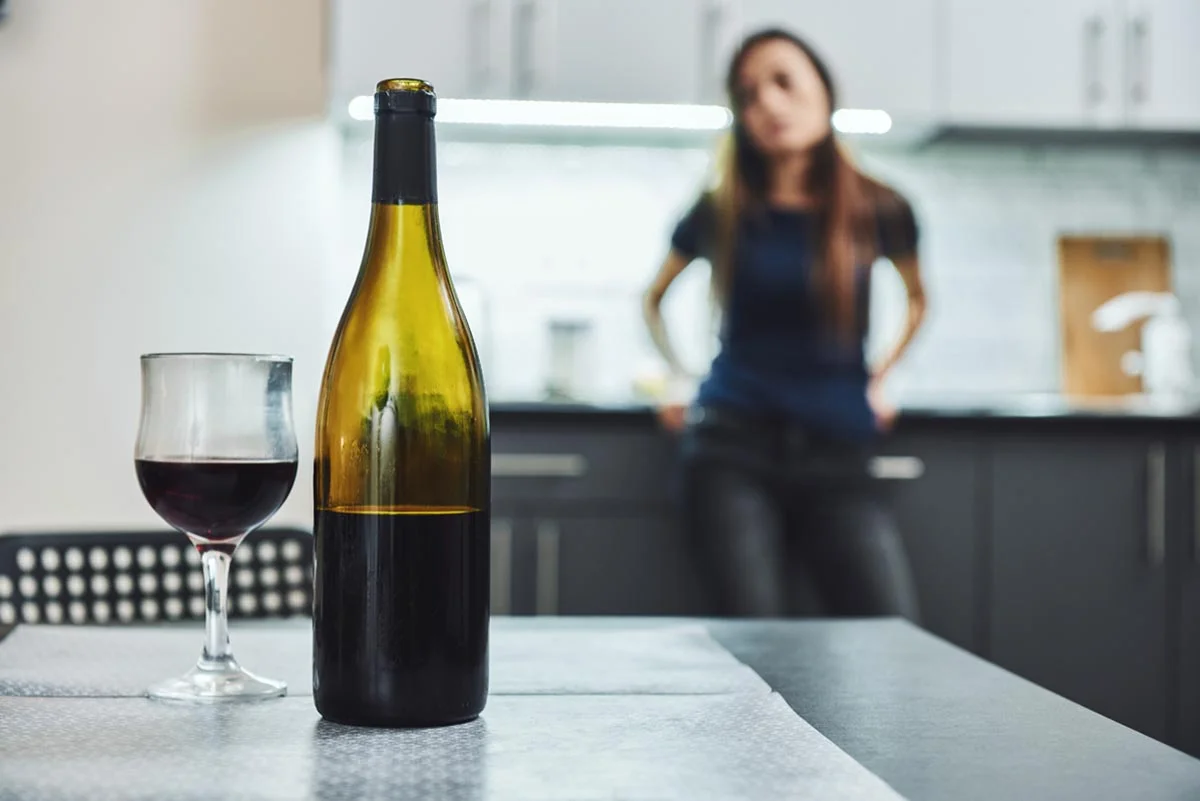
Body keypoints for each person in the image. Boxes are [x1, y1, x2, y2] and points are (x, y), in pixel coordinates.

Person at [642, 28, 927, 619]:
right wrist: (679, 379)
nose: (767, 104)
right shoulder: (718, 210)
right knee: (757, 649)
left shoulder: (881, 208)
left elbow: (919, 300)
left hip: (838, 450)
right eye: (748, 94)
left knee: (890, 639)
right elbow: (653, 299)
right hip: (731, 450)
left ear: (824, 89)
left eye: (783, 82)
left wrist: (882, 378)